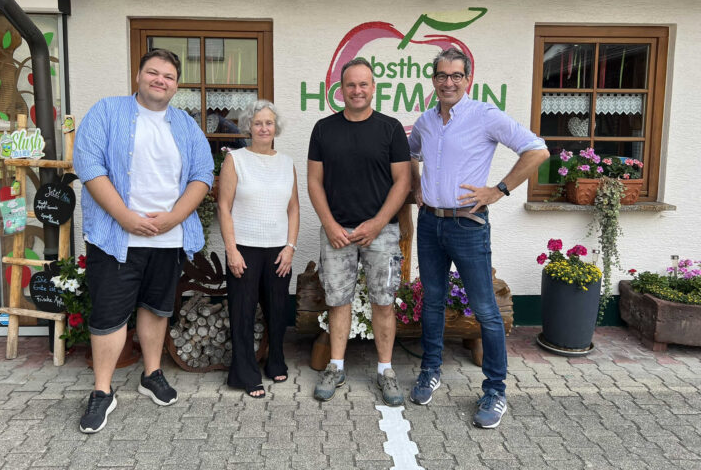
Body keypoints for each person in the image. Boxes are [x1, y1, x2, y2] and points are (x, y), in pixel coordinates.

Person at [408, 47, 549, 428]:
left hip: (469, 225)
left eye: (456, 76)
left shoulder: (484, 115)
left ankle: (495, 391)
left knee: (485, 310)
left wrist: (498, 190)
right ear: (433, 79)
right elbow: (407, 154)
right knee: (433, 302)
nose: (448, 82)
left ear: (467, 79)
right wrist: (417, 183)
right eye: (441, 75)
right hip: (430, 223)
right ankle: (431, 370)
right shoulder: (425, 121)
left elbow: (537, 150)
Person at [74, 49, 214, 433]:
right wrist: (126, 218)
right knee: (108, 315)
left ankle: (151, 374)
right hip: (117, 237)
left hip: (168, 239)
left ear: (176, 84)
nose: (160, 80)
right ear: (138, 76)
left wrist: (175, 217)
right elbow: (88, 165)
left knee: (156, 308)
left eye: (168, 76)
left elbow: (203, 174)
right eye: (153, 73)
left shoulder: (186, 125)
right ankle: (102, 391)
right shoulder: (106, 111)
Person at [307, 57, 411, 406]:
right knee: (338, 300)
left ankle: (385, 370)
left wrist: (378, 223)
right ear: (340, 88)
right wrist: (330, 225)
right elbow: (314, 181)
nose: (357, 90)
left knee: (383, 302)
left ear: (373, 88)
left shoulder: (391, 129)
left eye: (363, 84)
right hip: (337, 231)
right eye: (350, 84)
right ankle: (335, 367)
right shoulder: (323, 129)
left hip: (380, 232)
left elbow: (403, 182)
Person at [217, 100, 299, 398]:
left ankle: (275, 359)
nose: (264, 128)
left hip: (278, 249)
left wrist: (290, 247)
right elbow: (224, 207)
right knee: (243, 312)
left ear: (275, 127)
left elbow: (293, 209)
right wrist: (231, 250)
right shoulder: (235, 160)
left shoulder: (286, 162)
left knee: (277, 310)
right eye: (258, 123)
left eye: (268, 123)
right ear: (249, 126)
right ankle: (245, 372)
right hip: (244, 249)